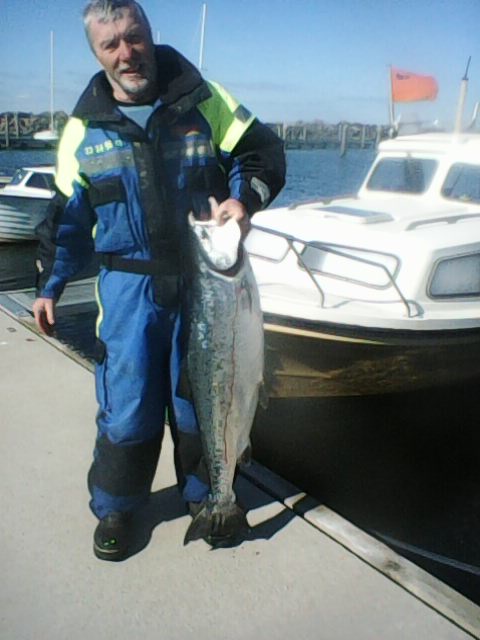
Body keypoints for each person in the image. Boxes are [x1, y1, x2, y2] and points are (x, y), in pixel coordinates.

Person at [33, 0, 285, 561]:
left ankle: (208, 496)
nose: (127, 53)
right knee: (127, 405)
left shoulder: (204, 99)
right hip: (128, 293)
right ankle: (118, 506)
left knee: (201, 401)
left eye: (134, 36)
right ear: (97, 53)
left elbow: (262, 152)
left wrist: (244, 201)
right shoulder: (82, 130)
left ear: (149, 34)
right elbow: (66, 218)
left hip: (204, 285)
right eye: (111, 44)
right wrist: (49, 285)